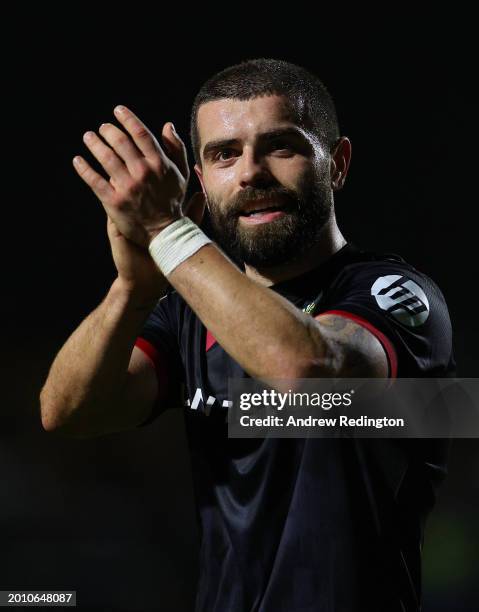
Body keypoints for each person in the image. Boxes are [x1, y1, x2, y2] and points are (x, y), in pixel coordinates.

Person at [40, 59, 455, 611]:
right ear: (203, 181)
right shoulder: (187, 315)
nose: (251, 172)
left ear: (338, 165)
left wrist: (169, 231)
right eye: (223, 154)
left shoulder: (396, 293)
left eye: (281, 147)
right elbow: (68, 413)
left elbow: (305, 372)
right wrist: (132, 290)